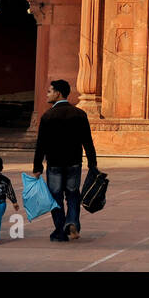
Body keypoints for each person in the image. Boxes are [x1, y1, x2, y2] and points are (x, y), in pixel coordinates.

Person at [33, 79, 100, 242]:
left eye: (49, 91)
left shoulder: (48, 116)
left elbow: (41, 143)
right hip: (74, 163)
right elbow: (87, 141)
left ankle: (60, 230)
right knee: (72, 194)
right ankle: (72, 222)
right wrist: (92, 163)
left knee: (55, 197)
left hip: (55, 163)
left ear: (58, 93)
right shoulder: (79, 114)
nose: (47, 94)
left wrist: (37, 167)